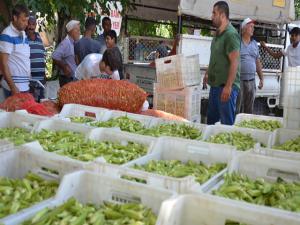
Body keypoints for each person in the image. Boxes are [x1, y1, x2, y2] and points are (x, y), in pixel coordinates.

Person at [203, 1, 240, 125]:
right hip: (215, 87)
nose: (212, 16)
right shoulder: (217, 34)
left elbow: (235, 62)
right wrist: (208, 72)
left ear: (223, 15)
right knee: (211, 123)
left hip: (226, 88)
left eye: (214, 13)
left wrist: (228, 86)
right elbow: (214, 56)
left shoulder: (231, 35)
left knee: (226, 125)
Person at [0, 4, 30, 97]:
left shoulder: (23, 33)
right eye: (23, 20)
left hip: (25, 86)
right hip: (13, 88)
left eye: (27, 21)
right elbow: (3, 64)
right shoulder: (7, 34)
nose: (26, 24)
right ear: (15, 18)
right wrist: (13, 87)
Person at [237, 18, 264, 114]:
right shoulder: (237, 42)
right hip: (239, 81)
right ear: (244, 28)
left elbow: (257, 62)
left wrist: (261, 78)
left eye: (253, 27)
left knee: (249, 110)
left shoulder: (254, 44)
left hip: (251, 81)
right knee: (237, 108)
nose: (253, 29)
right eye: (251, 27)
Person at [52, 20, 81, 87]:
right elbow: (54, 56)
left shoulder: (74, 43)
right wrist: (64, 66)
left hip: (73, 80)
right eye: (77, 30)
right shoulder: (66, 43)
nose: (79, 33)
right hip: (67, 80)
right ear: (71, 31)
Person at [26, 15, 46, 102]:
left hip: (40, 79)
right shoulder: (23, 38)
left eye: (33, 24)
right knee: (29, 103)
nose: (31, 27)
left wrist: (44, 74)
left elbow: (41, 56)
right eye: (29, 24)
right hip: (29, 80)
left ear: (35, 25)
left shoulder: (39, 37)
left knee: (40, 103)